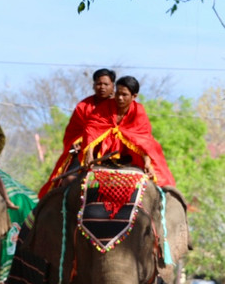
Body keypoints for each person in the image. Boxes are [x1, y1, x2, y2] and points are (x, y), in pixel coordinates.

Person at [41, 74, 176, 197]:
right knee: (68, 181)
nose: (120, 98)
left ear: (134, 96)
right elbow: (91, 129)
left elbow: (143, 140)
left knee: (161, 182)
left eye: (124, 95)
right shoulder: (100, 106)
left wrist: (147, 163)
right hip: (100, 156)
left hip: (131, 157)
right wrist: (88, 153)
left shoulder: (139, 111)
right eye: (118, 93)